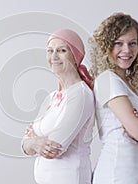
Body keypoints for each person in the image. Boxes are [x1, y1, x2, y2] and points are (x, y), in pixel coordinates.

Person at [90, 12, 138, 184]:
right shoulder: (107, 79)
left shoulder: (125, 83)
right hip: (117, 173)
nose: (127, 50)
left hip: (136, 172)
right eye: (118, 43)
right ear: (105, 46)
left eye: (132, 43)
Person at [21, 29, 95, 184]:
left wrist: (33, 139)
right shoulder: (52, 97)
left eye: (62, 50)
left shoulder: (81, 94)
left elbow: (55, 149)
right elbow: (25, 145)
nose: (54, 56)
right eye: (50, 51)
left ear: (75, 57)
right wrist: (33, 142)